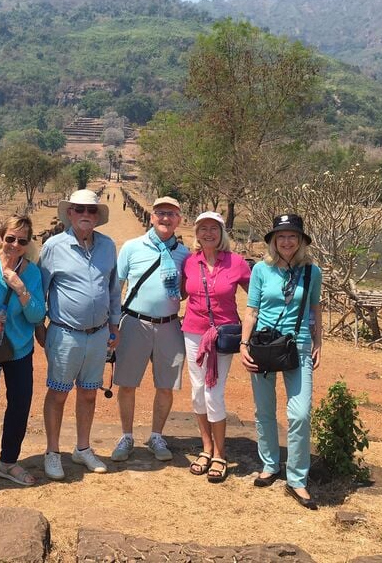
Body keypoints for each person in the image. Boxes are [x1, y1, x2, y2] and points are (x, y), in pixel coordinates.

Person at [239, 214, 322, 509]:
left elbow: (314, 310)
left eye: (292, 236)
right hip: (263, 345)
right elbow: (252, 309)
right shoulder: (261, 269)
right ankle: (270, 464)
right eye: (281, 236)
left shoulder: (313, 272)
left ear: (300, 241)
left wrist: (318, 342)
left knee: (299, 414)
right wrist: (244, 343)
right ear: (273, 240)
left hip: (297, 347)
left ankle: (297, 479)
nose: (286, 241)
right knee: (264, 409)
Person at [38, 189, 121, 480]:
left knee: (88, 393)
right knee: (58, 394)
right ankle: (52, 451)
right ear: (70, 213)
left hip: (98, 335)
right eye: (79, 209)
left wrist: (115, 324)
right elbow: (41, 290)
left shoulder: (108, 246)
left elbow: (113, 288)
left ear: (97, 216)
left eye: (91, 210)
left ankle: (83, 448)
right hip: (65, 333)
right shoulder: (53, 247)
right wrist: (40, 327)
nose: (86, 214)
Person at [111, 196, 190, 463]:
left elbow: (187, 291)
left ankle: (157, 435)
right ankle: (127, 436)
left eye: (171, 214)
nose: (165, 218)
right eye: (160, 213)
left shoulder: (184, 254)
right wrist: (113, 323)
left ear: (179, 219)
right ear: (152, 217)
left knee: (166, 386)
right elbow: (117, 287)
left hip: (169, 325)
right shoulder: (132, 247)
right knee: (127, 383)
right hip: (134, 323)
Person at [0, 216, 46, 487]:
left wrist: (20, 287)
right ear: (1, 237)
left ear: (28, 245)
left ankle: (8, 461)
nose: (15, 244)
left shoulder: (32, 273)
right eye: (11, 238)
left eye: (22, 241)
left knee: (20, 402)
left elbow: (38, 313)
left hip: (19, 347)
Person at [181, 212, 251, 483]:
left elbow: (255, 294)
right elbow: (181, 292)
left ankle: (220, 454)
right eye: (203, 229)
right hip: (193, 333)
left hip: (223, 335)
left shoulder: (236, 263)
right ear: (196, 233)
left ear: (222, 233)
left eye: (214, 228)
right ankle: (206, 447)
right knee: (198, 393)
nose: (208, 233)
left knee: (213, 393)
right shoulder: (189, 262)